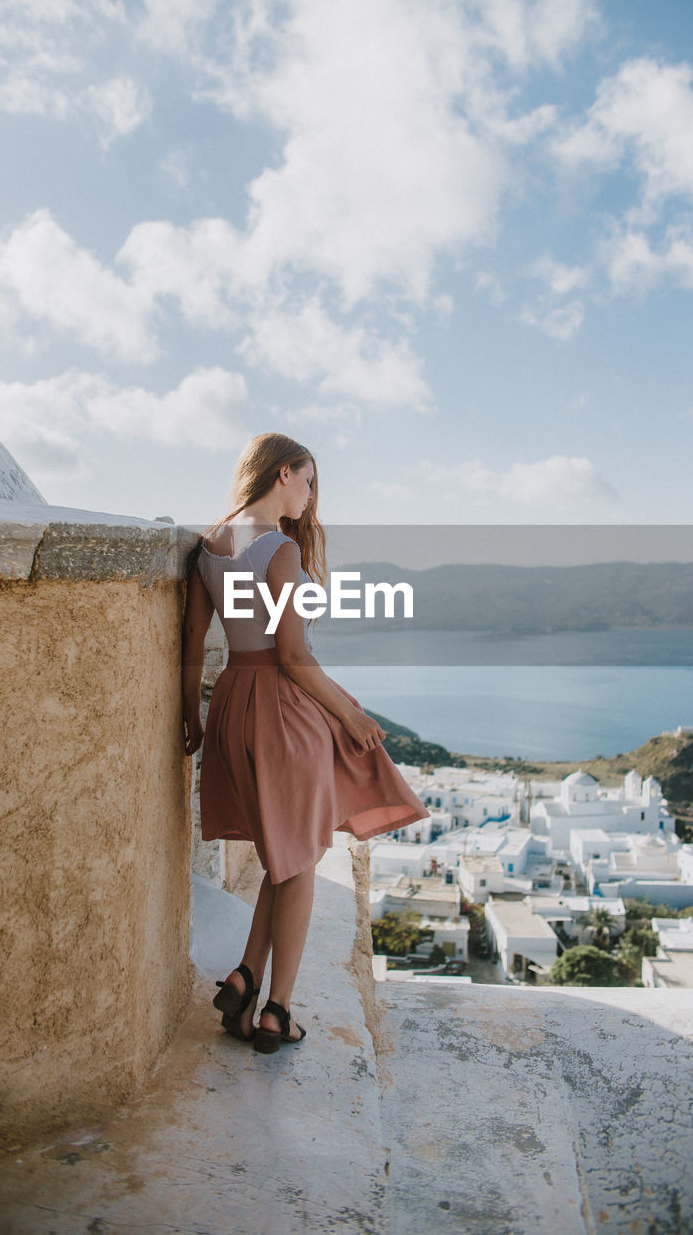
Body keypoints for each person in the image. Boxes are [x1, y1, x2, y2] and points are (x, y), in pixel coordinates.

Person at [181, 433, 428, 1054]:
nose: (311, 495)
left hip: (234, 701)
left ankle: (244, 978)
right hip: (281, 710)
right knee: (301, 863)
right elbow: (292, 655)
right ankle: (277, 1011)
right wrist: (349, 715)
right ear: (283, 472)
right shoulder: (278, 549)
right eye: (309, 481)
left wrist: (192, 714)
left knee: (285, 857)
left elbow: (191, 644)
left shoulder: (209, 543)